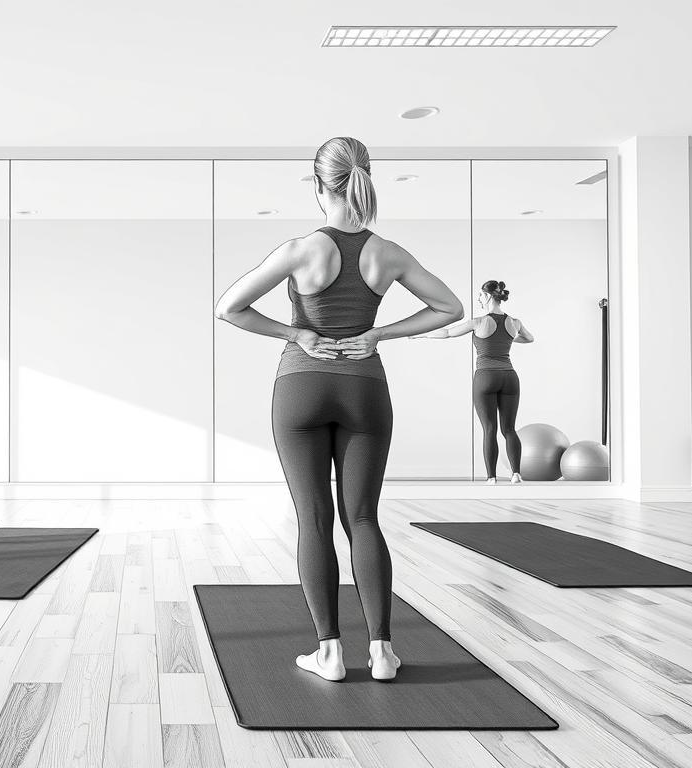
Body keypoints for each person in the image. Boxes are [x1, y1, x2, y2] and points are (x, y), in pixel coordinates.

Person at [214, 137, 463, 682]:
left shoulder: (300, 249)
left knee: (314, 518)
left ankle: (328, 653)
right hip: (363, 391)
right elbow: (450, 307)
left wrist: (296, 333)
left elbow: (228, 308)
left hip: (300, 389)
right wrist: (380, 333)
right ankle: (381, 653)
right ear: (366, 178)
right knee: (364, 518)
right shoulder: (386, 252)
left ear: (316, 184)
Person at [413, 280, 534, 484]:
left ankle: (492, 477)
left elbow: (448, 333)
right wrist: (507, 340)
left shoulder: (478, 322)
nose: (478, 299)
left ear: (487, 296)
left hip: (486, 376)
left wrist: (422, 335)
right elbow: (529, 339)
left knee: (489, 429)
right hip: (510, 377)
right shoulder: (515, 322)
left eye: (480, 295)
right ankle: (516, 474)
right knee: (509, 429)